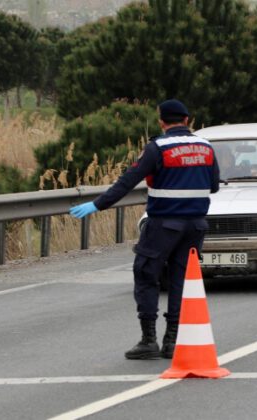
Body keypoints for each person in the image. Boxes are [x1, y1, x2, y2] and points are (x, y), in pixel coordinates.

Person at [69, 99, 220, 359]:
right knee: (180, 280)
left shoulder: (157, 148)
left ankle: (148, 339)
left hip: (163, 225)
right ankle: (172, 340)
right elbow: (214, 185)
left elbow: (127, 181)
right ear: (187, 120)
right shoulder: (206, 147)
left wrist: (97, 205)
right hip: (196, 226)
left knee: (146, 275)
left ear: (162, 122)